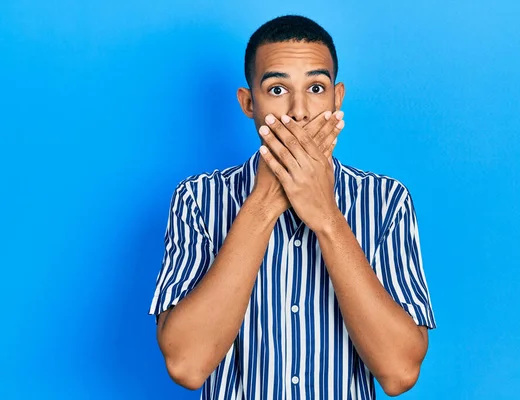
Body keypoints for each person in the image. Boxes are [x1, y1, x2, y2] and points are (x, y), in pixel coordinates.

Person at [149, 15, 436, 399]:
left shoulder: (386, 201)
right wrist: (265, 202)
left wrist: (329, 218)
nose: (299, 111)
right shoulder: (198, 200)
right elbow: (186, 365)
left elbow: (400, 372)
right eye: (278, 89)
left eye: (316, 87)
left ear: (337, 98)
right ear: (249, 102)